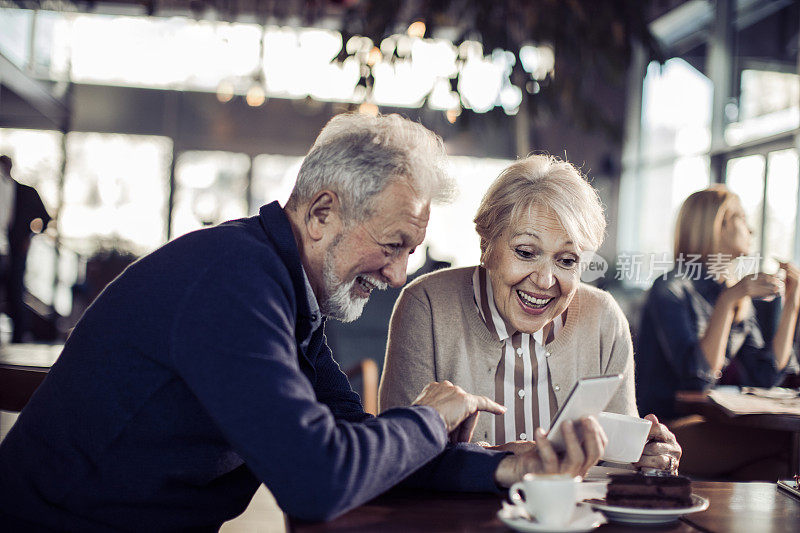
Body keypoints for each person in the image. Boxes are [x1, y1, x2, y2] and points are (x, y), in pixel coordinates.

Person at [0, 115, 608, 531]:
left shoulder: (287, 291)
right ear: (321, 213)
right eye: (393, 246)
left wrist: (512, 466)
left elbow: (360, 449)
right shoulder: (234, 284)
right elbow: (319, 478)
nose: (398, 276)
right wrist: (429, 417)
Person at [379, 154, 682, 473]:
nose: (545, 280)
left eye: (566, 260)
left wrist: (647, 459)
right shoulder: (426, 304)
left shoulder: (604, 318)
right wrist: (502, 459)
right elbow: (396, 460)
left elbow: (619, 461)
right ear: (487, 246)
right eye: (526, 252)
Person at [636, 185, 799, 479]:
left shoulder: (732, 291)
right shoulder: (671, 288)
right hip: (663, 432)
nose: (751, 228)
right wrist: (729, 301)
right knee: (788, 447)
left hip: (705, 424)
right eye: (741, 217)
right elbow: (696, 377)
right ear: (717, 224)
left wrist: (792, 305)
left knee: (778, 468)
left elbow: (766, 375)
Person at [0, 155, 52, 343]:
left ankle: (18, 340)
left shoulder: (25, 192)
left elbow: (45, 219)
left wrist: (30, 236)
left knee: (15, 293)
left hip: (16, 252)